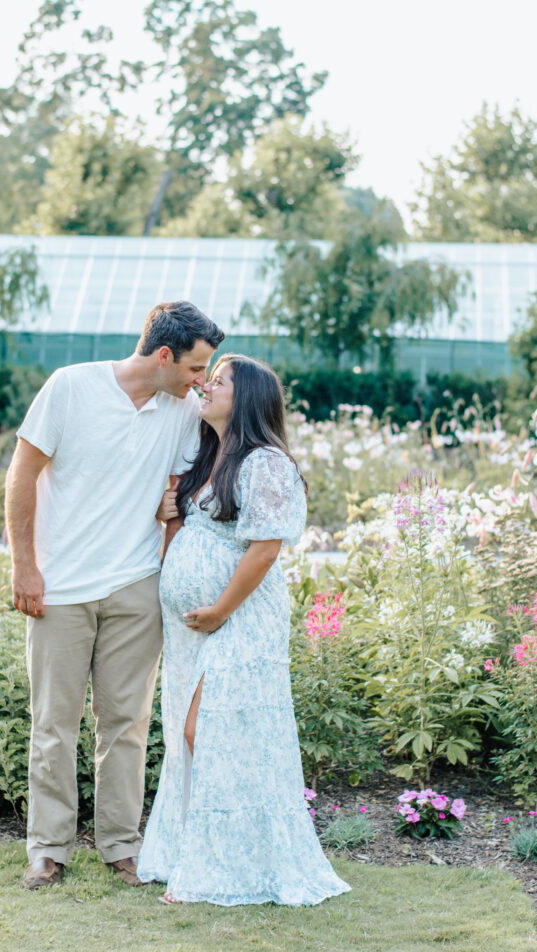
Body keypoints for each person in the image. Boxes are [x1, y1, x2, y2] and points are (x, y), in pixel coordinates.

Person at [5, 301, 224, 891]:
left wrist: (169, 533)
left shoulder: (180, 412)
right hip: (60, 587)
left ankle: (122, 848)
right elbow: (21, 475)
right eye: (196, 368)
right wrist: (25, 567)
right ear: (163, 355)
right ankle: (48, 850)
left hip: (135, 586)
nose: (200, 381)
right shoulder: (69, 388)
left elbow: (176, 494)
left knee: (126, 725)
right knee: (54, 723)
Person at [137, 355, 351, 906]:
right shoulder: (210, 456)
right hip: (195, 628)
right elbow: (188, 544)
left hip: (240, 618)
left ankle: (221, 865)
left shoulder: (265, 463)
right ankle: (208, 859)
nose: (206, 386)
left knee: (206, 731)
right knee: (197, 735)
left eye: (219, 380)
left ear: (248, 397)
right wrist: (172, 518)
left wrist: (219, 611)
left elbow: (264, 549)